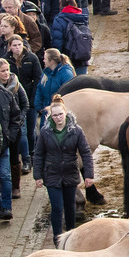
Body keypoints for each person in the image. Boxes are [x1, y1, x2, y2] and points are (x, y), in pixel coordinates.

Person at [32, 97, 95, 245]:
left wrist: (89, 175)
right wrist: (37, 176)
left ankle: (71, 234)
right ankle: (57, 238)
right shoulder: (45, 132)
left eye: (60, 114)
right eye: (55, 115)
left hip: (70, 173)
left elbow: (85, 152)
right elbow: (39, 154)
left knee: (70, 207)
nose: (58, 118)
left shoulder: (76, 131)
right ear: (50, 116)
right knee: (57, 207)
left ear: (66, 113)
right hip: (52, 174)